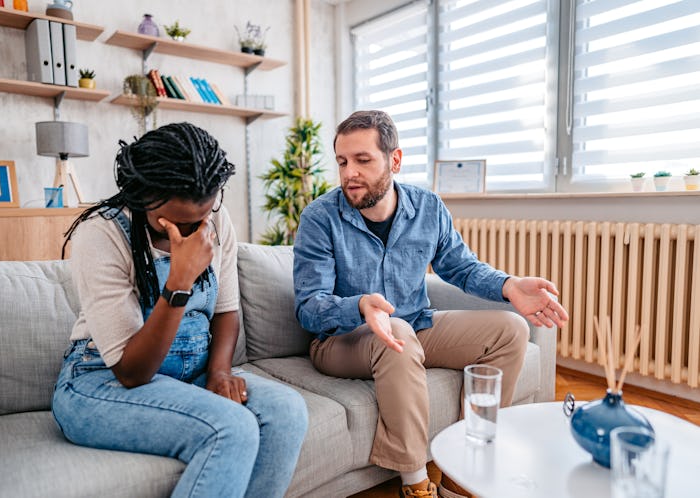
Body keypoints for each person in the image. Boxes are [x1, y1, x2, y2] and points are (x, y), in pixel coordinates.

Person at [293, 110, 568, 498]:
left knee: (511, 330)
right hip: (340, 340)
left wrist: (509, 286)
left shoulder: (428, 208)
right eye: (342, 161)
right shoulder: (320, 218)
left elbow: (461, 268)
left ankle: (463, 473)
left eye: (362, 160)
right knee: (399, 332)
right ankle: (417, 487)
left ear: (395, 160)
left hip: (414, 325)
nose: (349, 173)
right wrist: (358, 306)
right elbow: (309, 307)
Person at [52, 122, 308, 498]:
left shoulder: (217, 220)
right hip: (100, 380)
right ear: (143, 197)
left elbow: (225, 309)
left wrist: (219, 372)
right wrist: (179, 283)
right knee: (231, 427)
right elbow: (132, 371)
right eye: (178, 223)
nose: (193, 233)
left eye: (201, 219)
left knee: (288, 412)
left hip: (189, 375)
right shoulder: (102, 234)